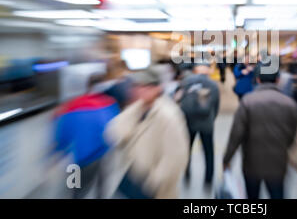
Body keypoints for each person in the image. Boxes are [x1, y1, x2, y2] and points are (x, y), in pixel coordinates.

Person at [104, 66, 190, 199]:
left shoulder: (169, 116)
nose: (138, 90)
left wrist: (152, 183)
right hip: (132, 175)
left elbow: (176, 158)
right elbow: (114, 131)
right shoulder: (137, 108)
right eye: (136, 86)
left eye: (144, 86)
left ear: (157, 88)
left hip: (152, 186)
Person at [223, 60, 297, 199]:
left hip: (251, 164)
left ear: (257, 79)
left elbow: (236, 134)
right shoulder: (290, 104)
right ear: (277, 80)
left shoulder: (247, 101)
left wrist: (227, 159)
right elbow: (294, 135)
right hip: (278, 163)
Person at [53, 73, 120, 199]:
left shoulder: (72, 106)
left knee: (75, 191)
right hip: (103, 154)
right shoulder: (109, 104)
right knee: (102, 186)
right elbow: (115, 129)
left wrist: (57, 151)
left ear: (87, 86)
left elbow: (63, 134)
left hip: (76, 159)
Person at [176, 63, 220, 186]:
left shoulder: (186, 82)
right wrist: (212, 118)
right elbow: (216, 106)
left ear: (196, 69)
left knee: (187, 149)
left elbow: (178, 99)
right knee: (208, 151)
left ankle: (187, 175)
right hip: (207, 123)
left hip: (189, 122)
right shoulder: (213, 85)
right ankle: (208, 179)